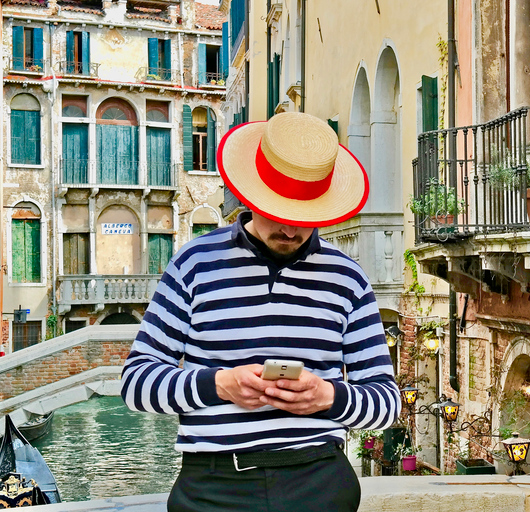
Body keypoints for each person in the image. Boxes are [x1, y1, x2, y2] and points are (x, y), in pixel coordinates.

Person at [121, 112, 401, 512]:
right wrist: (219, 384)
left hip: (319, 483)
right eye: (279, 214)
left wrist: (326, 396)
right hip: (213, 487)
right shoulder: (194, 264)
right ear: (253, 199)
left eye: (303, 219)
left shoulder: (348, 277)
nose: (290, 230)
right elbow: (136, 384)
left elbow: (386, 403)